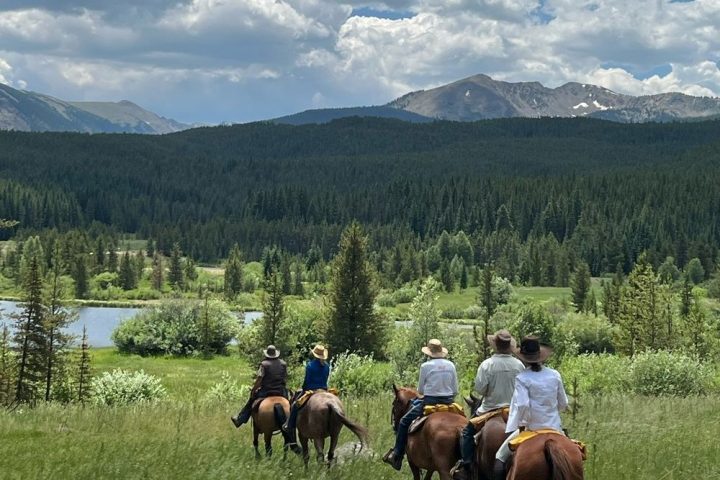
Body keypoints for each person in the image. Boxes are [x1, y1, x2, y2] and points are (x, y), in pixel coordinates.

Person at [451, 330, 525, 480]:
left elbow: (480, 389)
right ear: (509, 346)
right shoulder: (519, 365)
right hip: (513, 412)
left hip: (489, 411)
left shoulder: (487, 365)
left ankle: (467, 466)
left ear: (495, 346)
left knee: (466, 433)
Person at [493, 335, 569, 480]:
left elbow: (522, 405)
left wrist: (523, 422)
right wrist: (551, 412)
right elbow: (563, 403)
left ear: (523, 357)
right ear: (541, 355)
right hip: (554, 428)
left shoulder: (522, 378)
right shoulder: (555, 375)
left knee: (500, 458)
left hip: (531, 429)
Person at [383, 339, 459, 471]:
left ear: (429, 353)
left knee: (404, 422)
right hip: (449, 402)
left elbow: (421, 391)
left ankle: (397, 455)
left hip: (429, 401)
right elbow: (455, 390)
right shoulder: (451, 365)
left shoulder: (425, 366)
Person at [282, 344, 331, 448]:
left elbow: (307, 381)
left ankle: (290, 424)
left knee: (295, 404)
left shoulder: (310, 365)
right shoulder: (327, 366)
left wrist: (304, 389)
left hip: (311, 390)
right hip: (324, 390)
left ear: (314, 355)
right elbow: (325, 379)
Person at [231, 345, 288, 428]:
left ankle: (240, 418)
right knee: (290, 404)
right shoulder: (283, 364)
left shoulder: (264, 364)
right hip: (280, 391)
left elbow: (259, 379)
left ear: (267, 354)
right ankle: (292, 423)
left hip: (266, 391)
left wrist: (254, 389)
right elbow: (285, 377)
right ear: (276, 354)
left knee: (251, 400)